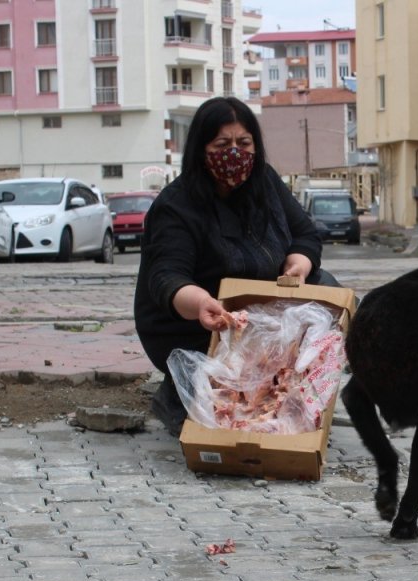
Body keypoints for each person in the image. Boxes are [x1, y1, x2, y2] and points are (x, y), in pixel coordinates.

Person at [134, 96, 326, 436]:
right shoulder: (176, 206)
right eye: (222, 144)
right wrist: (200, 303)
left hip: (256, 317)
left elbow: (305, 233)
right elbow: (166, 276)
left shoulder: (265, 182)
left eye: (244, 143)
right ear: (200, 149)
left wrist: (299, 263)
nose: (234, 153)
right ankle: (178, 391)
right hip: (196, 325)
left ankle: (283, 386)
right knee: (226, 418)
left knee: (327, 286)